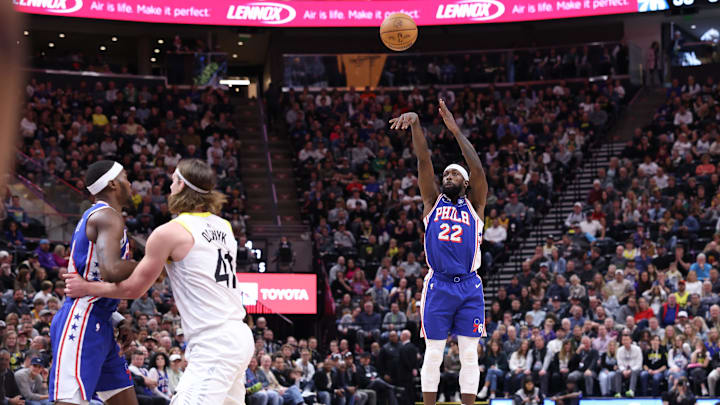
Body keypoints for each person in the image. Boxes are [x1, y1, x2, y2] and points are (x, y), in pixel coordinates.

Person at [64, 159, 255, 403]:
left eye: (174, 181)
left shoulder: (169, 232)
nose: (169, 188)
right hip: (239, 335)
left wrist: (86, 287)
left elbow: (134, 288)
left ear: (183, 186)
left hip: (214, 342)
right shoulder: (225, 227)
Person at [391, 100, 487, 405]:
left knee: (470, 354)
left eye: (454, 174)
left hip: (470, 286)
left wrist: (456, 131)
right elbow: (423, 161)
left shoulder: (476, 205)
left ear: (467, 183)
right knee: (433, 354)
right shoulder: (432, 202)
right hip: (438, 285)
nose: (447, 176)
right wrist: (417, 124)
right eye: (445, 174)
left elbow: (478, 168)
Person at [49, 160, 139, 405]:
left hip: (101, 318)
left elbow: (93, 273)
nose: (130, 184)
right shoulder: (108, 217)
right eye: (126, 177)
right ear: (112, 184)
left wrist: (115, 317)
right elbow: (111, 271)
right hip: (82, 319)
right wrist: (149, 265)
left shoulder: (102, 216)